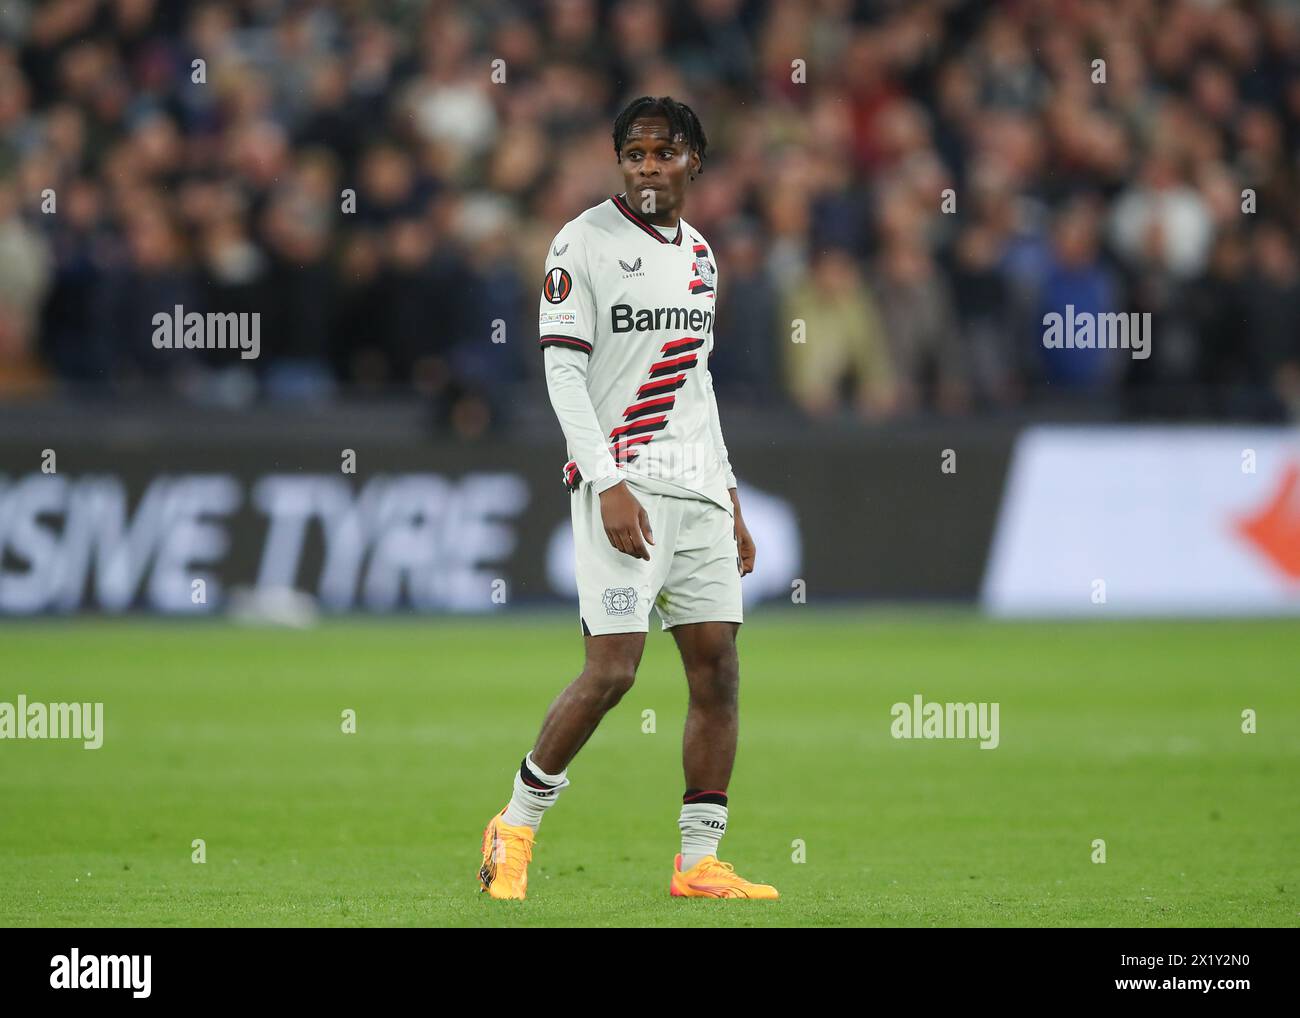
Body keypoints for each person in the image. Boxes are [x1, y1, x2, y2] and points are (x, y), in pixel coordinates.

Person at [477, 96, 778, 901]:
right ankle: (514, 825)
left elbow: (697, 386)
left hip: (698, 488)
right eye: (636, 153)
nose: (649, 166)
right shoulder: (582, 242)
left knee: (717, 671)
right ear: (621, 162)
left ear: (694, 162)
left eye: (665, 152)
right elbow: (563, 372)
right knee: (613, 671)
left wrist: (731, 493)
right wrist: (605, 480)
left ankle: (698, 861)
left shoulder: (704, 258)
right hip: (625, 483)